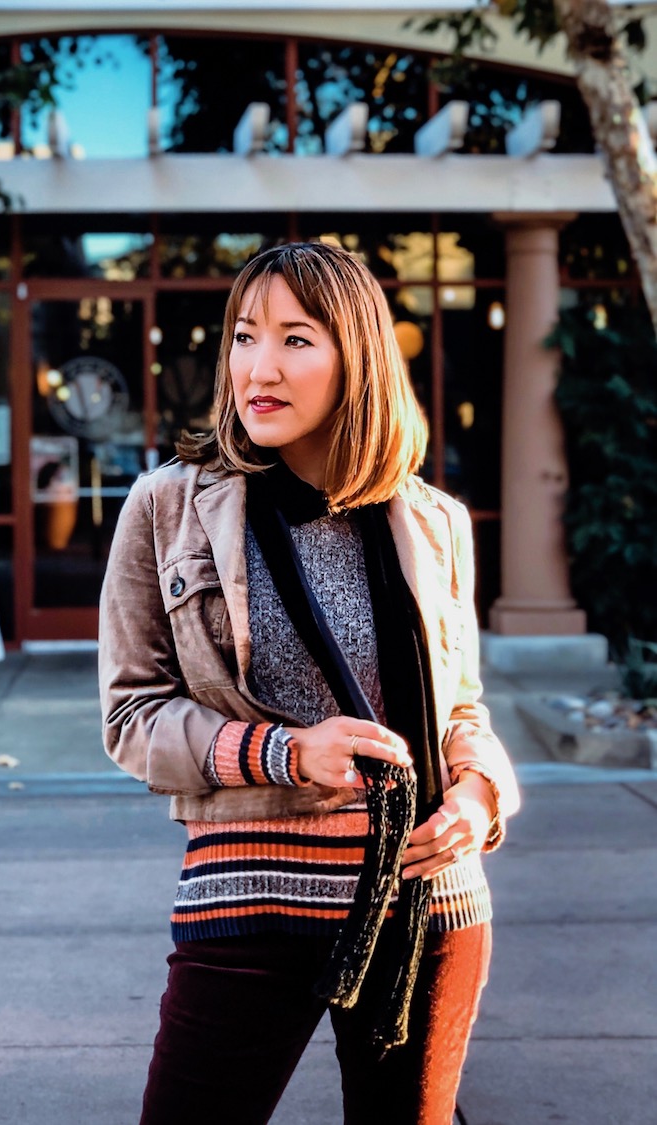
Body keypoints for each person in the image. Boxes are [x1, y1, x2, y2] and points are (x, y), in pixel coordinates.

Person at [99, 241, 520, 1125]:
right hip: (249, 896)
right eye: (244, 336)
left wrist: (480, 794)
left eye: (295, 339)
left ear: (356, 357)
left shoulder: (434, 521)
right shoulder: (169, 506)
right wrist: (284, 752)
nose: (260, 367)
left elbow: (463, 708)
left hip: (426, 905)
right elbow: (132, 715)